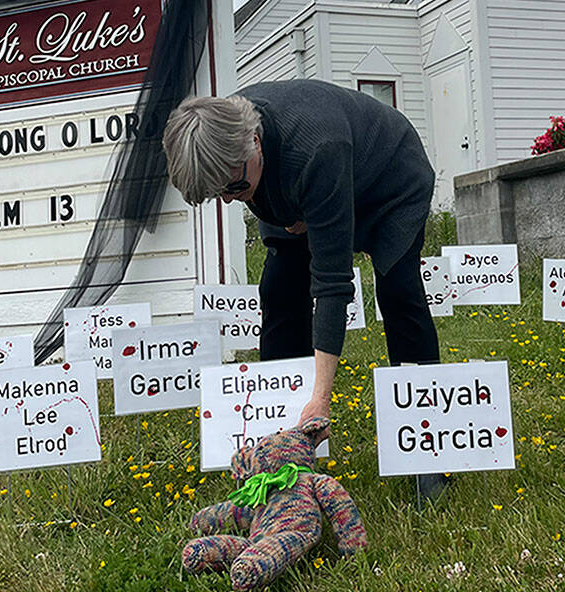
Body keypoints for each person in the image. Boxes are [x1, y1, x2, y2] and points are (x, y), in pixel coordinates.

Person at [162, 79, 447, 501]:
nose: (228, 200)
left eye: (234, 189)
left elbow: (331, 285)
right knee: (279, 291)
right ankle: (280, 448)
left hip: (390, 181)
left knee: (398, 293)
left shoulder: (316, 149)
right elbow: (260, 201)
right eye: (216, 193)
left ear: (254, 143)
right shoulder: (237, 148)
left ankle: (432, 455)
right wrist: (282, 207)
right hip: (302, 185)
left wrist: (320, 399)